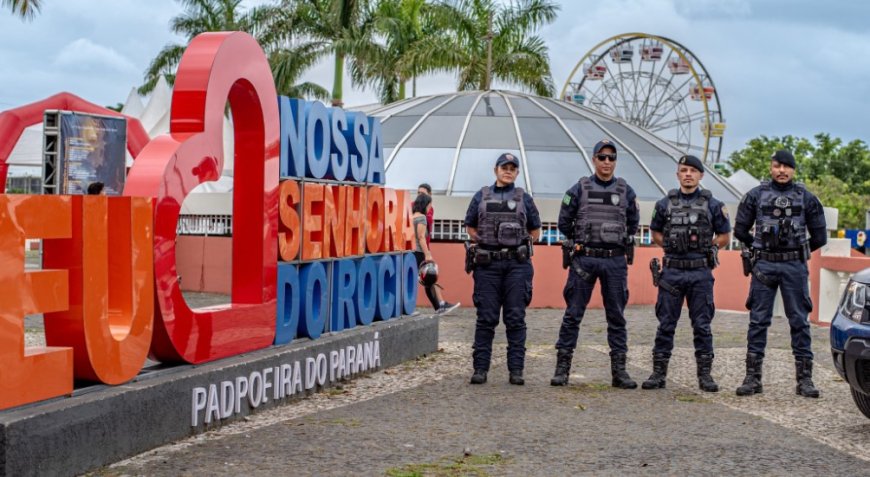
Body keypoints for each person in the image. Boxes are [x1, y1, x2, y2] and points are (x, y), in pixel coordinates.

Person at [733, 150, 827, 398]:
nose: (782, 171)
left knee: (799, 321)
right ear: (771, 168)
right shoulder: (755, 195)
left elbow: (820, 237)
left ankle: (804, 380)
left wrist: (797, 251)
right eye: (777, 166)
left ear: (793, 170)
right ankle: (752, 378)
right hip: (764, 265)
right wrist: (759, 246)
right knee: (758, 321)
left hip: (794, 266)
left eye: (787, 166)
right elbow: (740, 229)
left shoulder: (807, 198)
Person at [551, 139, 639, 389]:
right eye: (602, 157)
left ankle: (619, 372)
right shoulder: (579, 189)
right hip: (585, 260)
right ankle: (562, 369)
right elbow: (563, 223)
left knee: (617, 317)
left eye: (611, 158)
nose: (607, 162)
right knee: (573, 315)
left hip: (614, 260)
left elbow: (632, 224)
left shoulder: (626, 191)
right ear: (594, 159)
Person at [641, 155, 731, 392]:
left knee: (702, 325)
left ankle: (705, 376)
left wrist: (709, 247)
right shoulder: (664, 204)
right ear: (678, 174)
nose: (688, 174)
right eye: (684, 170)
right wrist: (671, 245)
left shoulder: (713, 204)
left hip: (700, 272)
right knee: (666, 325)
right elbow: (655, 233)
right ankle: (658, 374)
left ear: (701, 175)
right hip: (672, 272)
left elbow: (724, 236)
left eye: (693, 170)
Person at [464, 152, 541, 385]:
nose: (508, 171)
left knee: (515, 318)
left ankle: (516, 371)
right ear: (495, 170)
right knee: (486, 318)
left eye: (512, 168)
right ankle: (480, 369)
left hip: (516, 265)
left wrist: (514, 244)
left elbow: (535, 231)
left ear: (517, 172)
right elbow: (470, 226)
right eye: (504, 167)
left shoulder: (524, 198)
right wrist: (489, 243)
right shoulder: (481, 196)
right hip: (487, 266)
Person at [412, 193, 458, 314]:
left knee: (427, 281)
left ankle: (439, 306)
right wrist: (427, 254)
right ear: (425, 204)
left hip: (411, 253)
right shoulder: (421, 217)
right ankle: (439, 306)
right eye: (429, 205)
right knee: (430, 279)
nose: (430, 207)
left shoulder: (411, 217)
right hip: (419, 253)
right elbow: (421, 237)